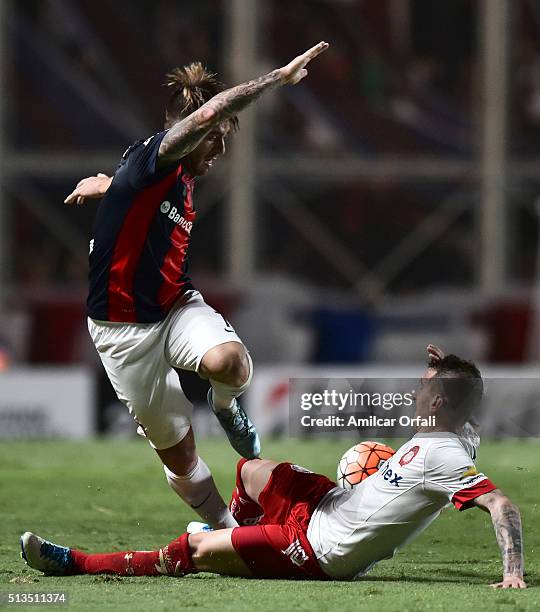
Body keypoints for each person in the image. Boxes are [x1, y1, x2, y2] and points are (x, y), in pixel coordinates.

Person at [63, 42, 329, 530]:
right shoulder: (161, 154)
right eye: (217, 137)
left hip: (174, 308)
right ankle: (229, 532)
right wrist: (277, 79)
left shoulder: (172, 174)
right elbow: (208, 114)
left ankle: (225, 406)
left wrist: (103, 185)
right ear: (192, 132)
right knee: (180, 458)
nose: (222, 147)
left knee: (230, 363)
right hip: (120, 331)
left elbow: (128, 187)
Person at [21, 346, 526, 588]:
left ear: (438, 404)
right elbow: (464, 409)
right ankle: (243, 531)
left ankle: (76, 562)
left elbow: (501, 504)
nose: (416, 390)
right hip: (330, 504)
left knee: (193, 549)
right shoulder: (452, 430)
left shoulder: (448, 456)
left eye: (424, 386)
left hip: (321, 549)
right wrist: (451, 373)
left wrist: (513, 574)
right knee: (252, 470)